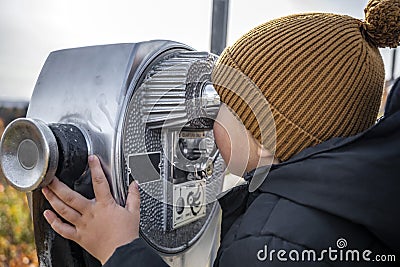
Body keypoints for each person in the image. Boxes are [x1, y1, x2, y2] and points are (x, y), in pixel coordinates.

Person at [42, 0, 400, 266]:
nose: (206, 124)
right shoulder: (351, 205)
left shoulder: (267, 243)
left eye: (220, 107)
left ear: (261, 134)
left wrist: (119, 249)